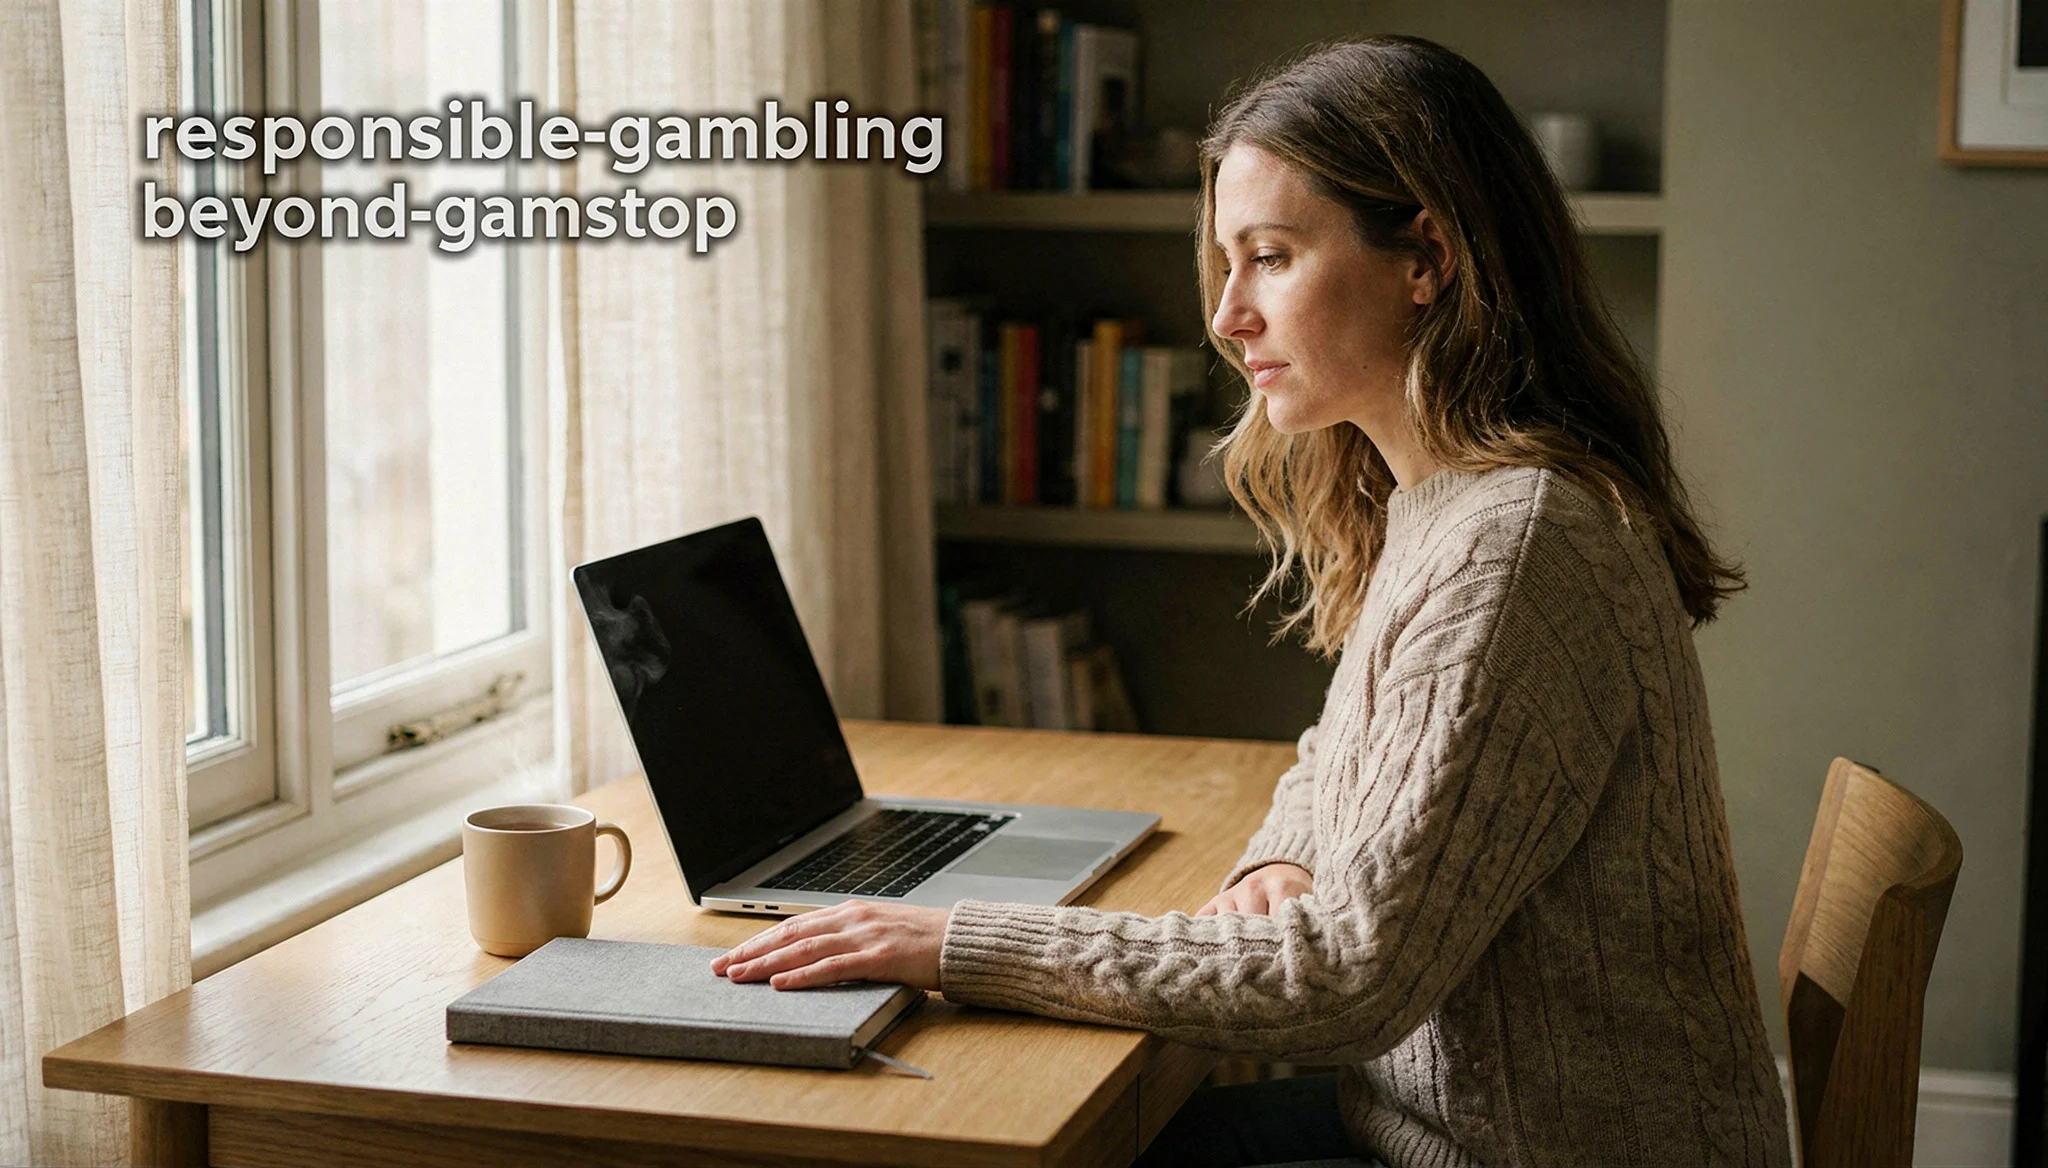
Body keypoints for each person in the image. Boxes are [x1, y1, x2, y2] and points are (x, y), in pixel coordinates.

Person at [713, 35, 1792, 1168]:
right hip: (1431, 1126)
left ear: (1425, 256)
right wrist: (1274, 861)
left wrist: (954, 943)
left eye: (1268, 256)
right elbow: (1346, 755)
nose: (1227, 315)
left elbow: (1340, 981)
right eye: (1226, 263)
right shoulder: (1443, 502)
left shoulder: (1512, 545)